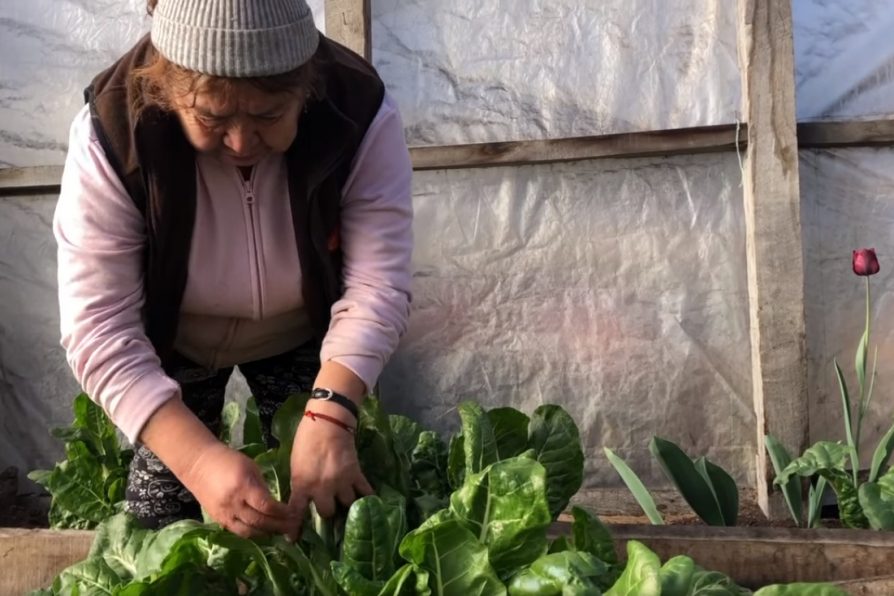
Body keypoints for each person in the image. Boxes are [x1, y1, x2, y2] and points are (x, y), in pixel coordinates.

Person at [53, 0, 413, 541]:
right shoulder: (113, 134)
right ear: (168, 92)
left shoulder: (357, 110)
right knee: (160, 524)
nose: (242, 142)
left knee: (327, 515)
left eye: (269, 115)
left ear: (305, 88)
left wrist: (333, 410)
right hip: (172, 343)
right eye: (211, 117)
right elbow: (98, 327)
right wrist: (198, 464)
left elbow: (378, 281)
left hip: (311, 338)